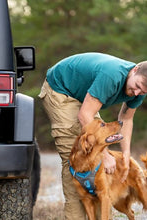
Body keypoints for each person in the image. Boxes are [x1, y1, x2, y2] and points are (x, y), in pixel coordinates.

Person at [38, 52, 147, 220]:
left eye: (143, 91)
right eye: (138, 85)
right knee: (76, 159)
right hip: (61, 90)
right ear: (135, 69)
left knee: (97, 160)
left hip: (84, 98)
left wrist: (125, 154)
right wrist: (104, 154)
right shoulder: (112, 76)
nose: (137, 92)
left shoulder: (140, 89)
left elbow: (126, 119)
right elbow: (84, 115)